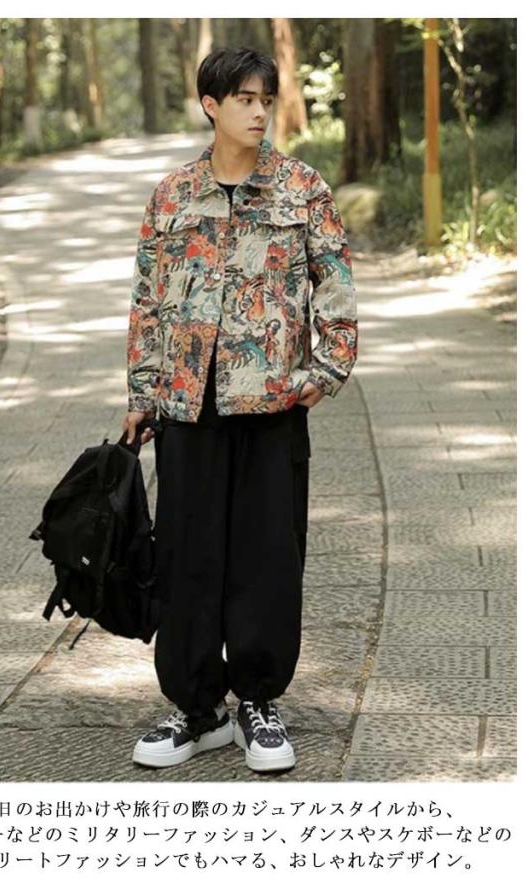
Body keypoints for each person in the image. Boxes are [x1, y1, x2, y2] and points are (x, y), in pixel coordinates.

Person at [122, 46, 358, 773]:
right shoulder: (173, 195)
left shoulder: (302, 188)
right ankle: (198, 709)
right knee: (186, 556)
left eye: (266, 100)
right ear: (211, 105)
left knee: (267, 555)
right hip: (187, 404)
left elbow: (335, 282)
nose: (259, 113)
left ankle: (258, 700)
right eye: (245, 100)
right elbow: (148, 301)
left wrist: (328, 367)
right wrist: (142, 393)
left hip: (273, 401)